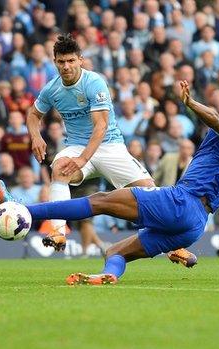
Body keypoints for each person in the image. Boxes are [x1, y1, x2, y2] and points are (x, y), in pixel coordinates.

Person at [0, 53, 219, 285]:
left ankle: (23, 210)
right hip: (196, 223)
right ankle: (109, 275)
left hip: (182, 201)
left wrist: (192, 103)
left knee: (100, 201)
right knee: (114, 251)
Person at [26, 34, 153, 251]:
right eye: (61, 62)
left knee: (150, 192)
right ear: (55, 62)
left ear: (80, 60)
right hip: (76, 145)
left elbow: (100, 127)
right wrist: (36, 136)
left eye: (71, 61)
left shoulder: (94, 82)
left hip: (108, 145)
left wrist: (83, 159)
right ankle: (57, 232)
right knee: (59, 169)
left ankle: (172, 244)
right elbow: (33, 115)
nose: (66, 66)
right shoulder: (52, 89)